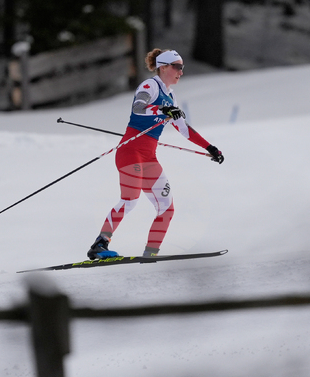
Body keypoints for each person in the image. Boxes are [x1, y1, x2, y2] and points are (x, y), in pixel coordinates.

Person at [87, 49, 224, 260]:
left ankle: (151, 252)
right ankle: (100, 243)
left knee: (167, 208)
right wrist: (163, 110)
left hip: (149, 157)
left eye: (182, 67)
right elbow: (138, 108)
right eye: (178, 67)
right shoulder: (149, 86)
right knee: (130, 200)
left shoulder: (171, 96)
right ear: (164, 67)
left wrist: (210, 147)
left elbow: (184, 128)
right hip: (130, 152)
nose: (181, 72)